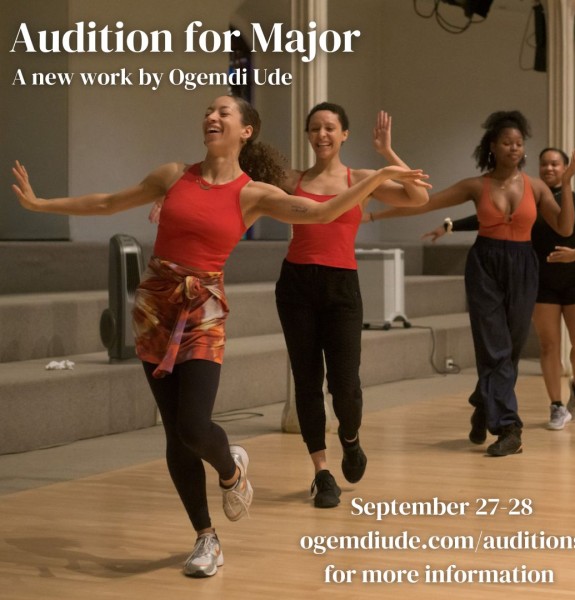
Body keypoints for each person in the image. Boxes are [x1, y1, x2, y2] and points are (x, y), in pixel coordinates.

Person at [11, 95, 429, 577]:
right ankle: (206, 537)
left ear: (245, 130)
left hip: (204, 307)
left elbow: (319, 214)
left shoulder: (255, 193)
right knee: (174, 433)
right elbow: (108, 202)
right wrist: (42, 204)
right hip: (155, 305)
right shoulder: (172, 175)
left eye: (223, 112)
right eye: (209, 111)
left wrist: (376, 177)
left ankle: (230, 470)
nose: (212, 116)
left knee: (194, 425)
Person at [364, 110, 575, 456]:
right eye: (507, 142)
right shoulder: (474, 185)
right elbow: (424, 202)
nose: (514, 148)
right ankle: (509, 427)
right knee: (494, 348)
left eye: (519, 143)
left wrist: (567, 184)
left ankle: (484, 401)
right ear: (493, 146)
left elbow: (566, 228)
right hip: (485, 265)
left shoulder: (537, 187)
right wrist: (375, 214)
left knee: (508, 349)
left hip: (524, 265)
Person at [274, 105, 430, 508]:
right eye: (314, 128)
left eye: (330, 128)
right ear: (307, 135)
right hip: (296, 285)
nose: (321, 134)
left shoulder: (359, 178)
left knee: (345, 386)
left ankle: (351, 439)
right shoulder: (293, 180)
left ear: (344, 134)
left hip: (341, 286)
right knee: (306, 380)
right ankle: (322, 473)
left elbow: (418, 196)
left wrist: (387, 154)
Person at [418, 153, 575, 431]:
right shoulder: (529, 194)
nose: (549, 168)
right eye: (545, 163)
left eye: (555, 164)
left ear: (566, 168)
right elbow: (492, 217)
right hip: (540, 279)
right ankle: (556, 405)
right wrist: (451, 225)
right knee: (549, 345)